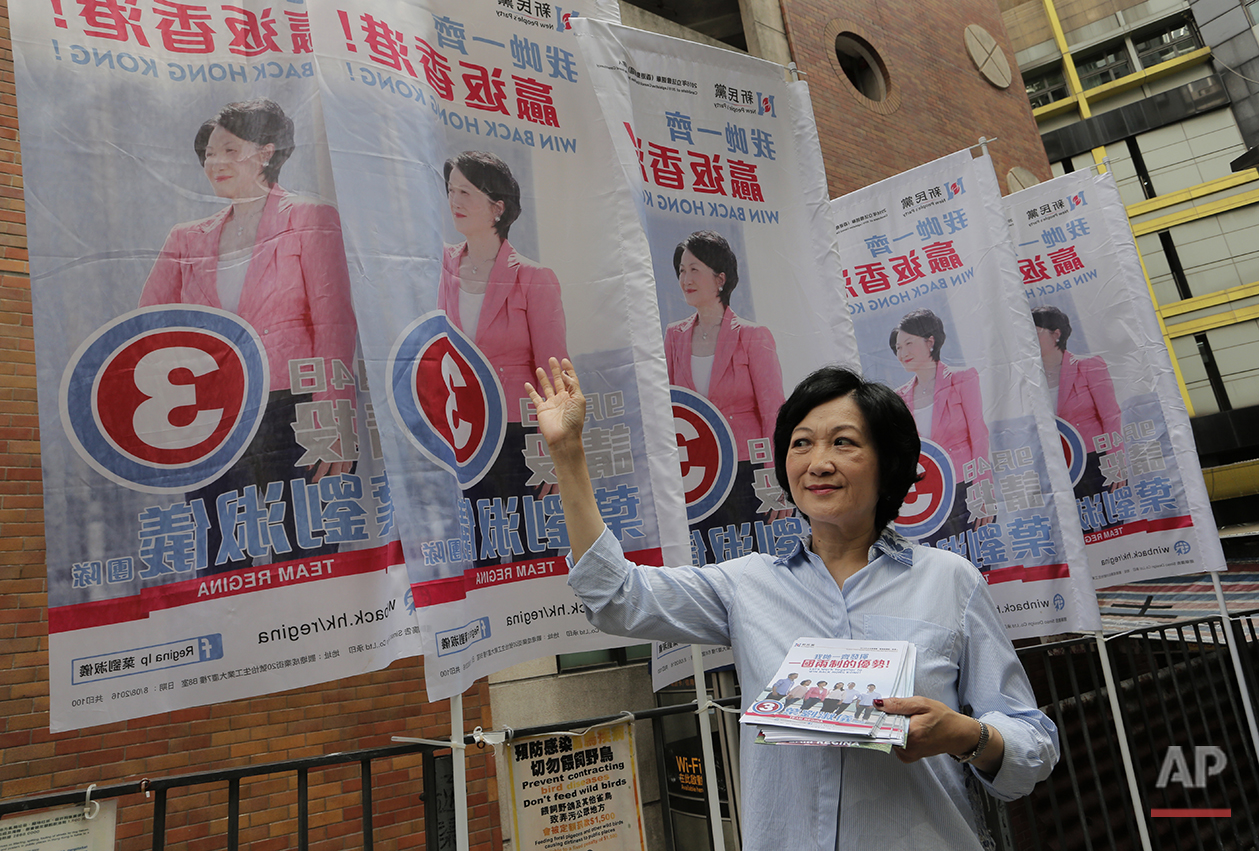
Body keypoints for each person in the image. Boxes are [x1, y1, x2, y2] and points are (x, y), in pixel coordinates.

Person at [527, 357, 1057, 850]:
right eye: (801, 444)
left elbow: (1032, 743)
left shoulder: (951, 582)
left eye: (844, 443)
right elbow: (616, 596)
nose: (818, 463)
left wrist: (965, 734)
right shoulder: (747, 586)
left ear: (888, 463)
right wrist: (568, 454)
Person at [140, 98, 357, 570]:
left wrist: (335, 412)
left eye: (228, 150)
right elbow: (150, 325)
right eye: (209, 154)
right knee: (218, 557)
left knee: (307, 552)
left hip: (295, 405)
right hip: (212, 414)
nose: (214, 162)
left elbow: (333, 323)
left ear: (265, 152)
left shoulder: (310, 218)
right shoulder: (186, 238)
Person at [437, 151, 568, 563]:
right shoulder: (435, 266)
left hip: (517, 437)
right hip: (454, 434)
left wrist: (557, 455)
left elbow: (555, 376)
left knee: (528, 550)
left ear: (498, 207)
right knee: (471, 554)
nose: (454, 200)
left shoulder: (534, 278)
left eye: (466, 192)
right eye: (451, 190)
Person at [665, 231, 785, 464]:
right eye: (682, 270)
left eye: (694, 269)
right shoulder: (674, 335)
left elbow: (773, 413)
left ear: (720, 279)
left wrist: (774, 472)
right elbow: (671, 407)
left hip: (746, 465)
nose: (686, 279)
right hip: (698, 469)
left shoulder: (752, 336)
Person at [890, 308, 992, 539]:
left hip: (965, 488)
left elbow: (978, 436)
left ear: (930, 342)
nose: (902, 353)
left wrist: (983, 490)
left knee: (977, 559)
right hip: (927, 497)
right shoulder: (899, 397)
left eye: (908, 344)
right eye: (898, 348)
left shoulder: (962, 379)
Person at [1032, 306, 1123, 496]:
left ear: (1056, 334)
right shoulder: (1032, 379)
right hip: (1057, 467)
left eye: (1036, 332)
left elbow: (1111, 416)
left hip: (1095, 459)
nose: (1030, 339)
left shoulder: (1088, 366)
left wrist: (1117, 461)